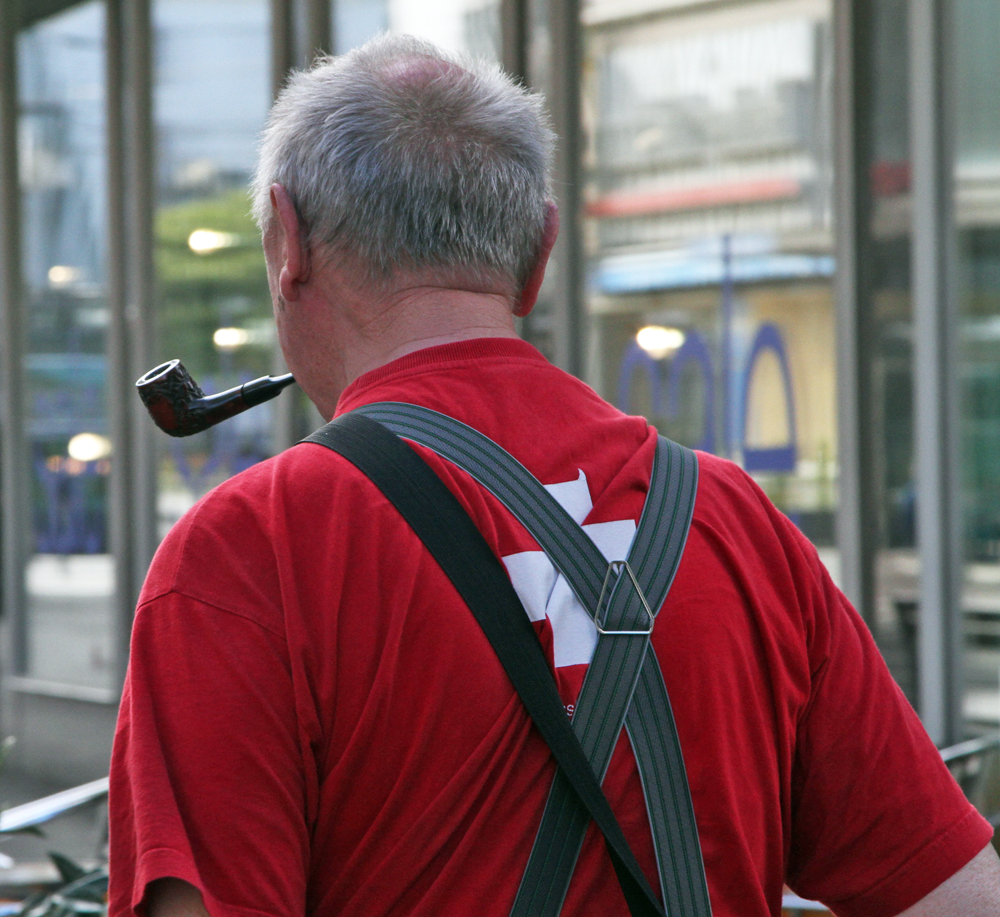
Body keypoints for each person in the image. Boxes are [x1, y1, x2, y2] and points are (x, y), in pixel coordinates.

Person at [108, 33, 1000, 917]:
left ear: (287, 243)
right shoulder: (735, 521)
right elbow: (956, 895)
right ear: (539, 256)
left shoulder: (247, 552)